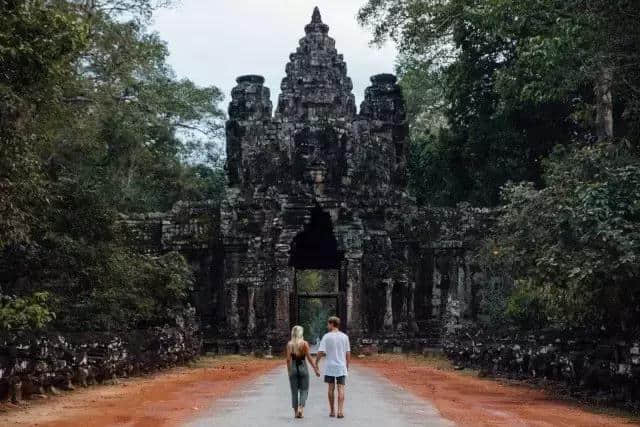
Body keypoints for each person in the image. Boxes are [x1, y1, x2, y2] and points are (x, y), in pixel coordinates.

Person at [316, 316, 350, 418]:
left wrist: (316, 362)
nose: (327, 326)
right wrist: (347, 365)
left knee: (331, 388)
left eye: (328, 324)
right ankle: (340, 411)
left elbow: (320, 352)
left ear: (331, 324)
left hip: (330, 366)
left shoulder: (326, 336)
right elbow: (348, 353)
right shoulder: (344, 337)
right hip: (341, 366)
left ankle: (332, 411)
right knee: (341, 388)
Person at [286, 325, 320, 418]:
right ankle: (301, 407)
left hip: (293, 368)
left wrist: (289, 371)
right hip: (303, 367)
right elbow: (309, 358)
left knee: (294, 391)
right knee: (304, 390)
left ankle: (296, 412)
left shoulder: (289, 344)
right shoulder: (304, 344)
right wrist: (315, 369)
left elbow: (288, 359)